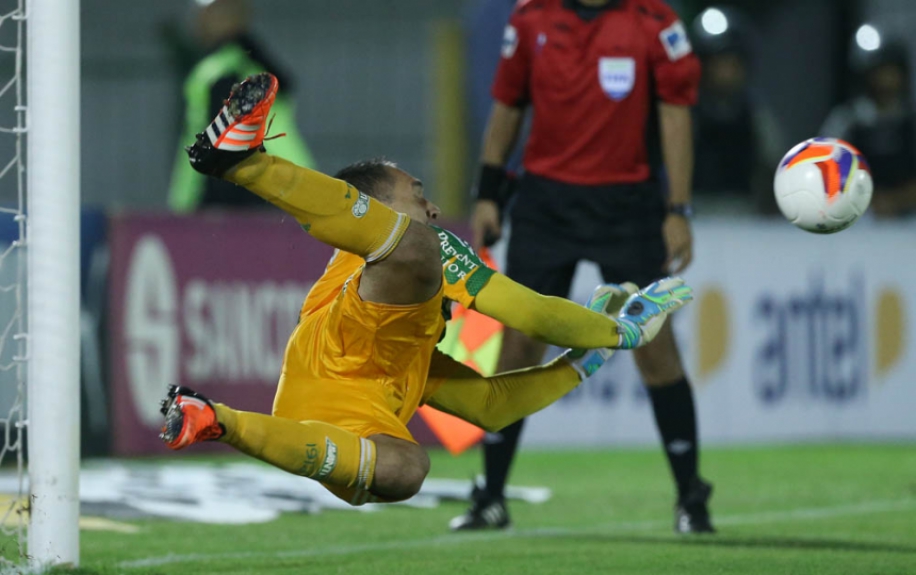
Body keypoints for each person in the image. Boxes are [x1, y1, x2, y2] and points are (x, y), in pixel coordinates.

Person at [158, 73, 694, 507]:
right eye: (417, 195)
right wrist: (619, 331)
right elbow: (526, 311)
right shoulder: (404, 253)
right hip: (337, 350)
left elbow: (489, 406)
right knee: (420, 246)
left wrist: (582, 362)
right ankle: (241, 163)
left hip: (320, 431)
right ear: (372, 207)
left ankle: (215, 420)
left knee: (410, 469)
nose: (433, 207)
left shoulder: (413, 348)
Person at [456, 0, 715, 533]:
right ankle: (491, 496)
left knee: (654, 348)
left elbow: (674, 113)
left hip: (629, 205)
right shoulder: (531, 18)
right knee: (519, 345)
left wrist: (678, 208)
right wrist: (488, 194)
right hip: (545, 204)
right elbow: (508, 104)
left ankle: (691, 497)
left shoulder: (654, 22)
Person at [167, 0, 315, 213]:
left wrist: (184, 208)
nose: (195, 20)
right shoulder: (262, 66)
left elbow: (209, 148)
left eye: (203, 12)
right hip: (292, 188)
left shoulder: (216, 74)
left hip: (250, 199)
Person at [689, 7, 785, 215]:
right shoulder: (687, 114)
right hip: (695, 212)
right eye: (718, 64)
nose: (725, 73)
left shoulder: (754, 114)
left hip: (744, 216)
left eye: (732, 64)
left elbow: (775, 166)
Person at [821, 32, 916, 218]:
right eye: (878, 71)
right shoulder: (848, 120)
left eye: (891, 71)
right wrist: (870, 200)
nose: (885, 78)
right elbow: (825, 169)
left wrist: (896, 200)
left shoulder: (911, 121)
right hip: (858, 219)